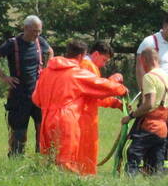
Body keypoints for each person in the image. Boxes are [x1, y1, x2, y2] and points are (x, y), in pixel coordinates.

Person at [31, 39, 127, 174]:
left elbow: (36, 99)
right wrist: (121, 88)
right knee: (67, 160)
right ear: (82, 56)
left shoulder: (47, 72)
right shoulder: (77, 73)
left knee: (49, 159)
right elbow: (101, 85)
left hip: (46, 118)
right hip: (66, 119)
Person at [0, 15, 54, 156]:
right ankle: (16, 160)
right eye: (34, 31)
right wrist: (4, 77)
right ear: (25, 28)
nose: (37, 34)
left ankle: (40, 160)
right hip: (19, 96)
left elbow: (50, 52)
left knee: (41, 131)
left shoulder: (40, 42)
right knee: (19, 133)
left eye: (39, 31)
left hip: (39, 96)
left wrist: (46, 72)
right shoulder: (13, 44)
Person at [123, 47, 168, 175]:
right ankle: (155, 184)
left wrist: (130, 116)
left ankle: (131, 180)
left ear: (143, 60)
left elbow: (149, 104)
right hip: (163, 128)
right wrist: (164, 121)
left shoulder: (149, 77)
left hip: (149, 125)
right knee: (156, 160)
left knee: (133, 153)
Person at [76, 40, 124, 175]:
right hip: (83, 115)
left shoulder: (89, 66)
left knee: (87, 149)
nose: (105, 64)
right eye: (104, 60)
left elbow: (96, 97)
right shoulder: (87, 66)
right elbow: (97, 92)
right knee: (85, 149)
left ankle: (84, 174)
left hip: (86, 113)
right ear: (96, 54)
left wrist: (115, 103)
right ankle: (83, 176)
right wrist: (113, 82)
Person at [135, 12, 168, 90]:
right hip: (155, 90)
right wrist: (144, 90)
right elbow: (140, 68)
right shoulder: (149, 42)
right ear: (165, 26)